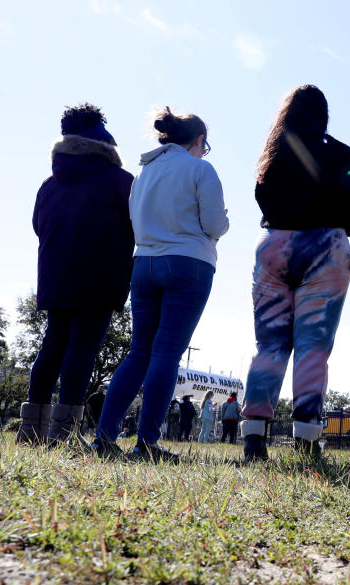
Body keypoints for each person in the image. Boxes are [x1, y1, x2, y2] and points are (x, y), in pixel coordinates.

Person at [92, 107, 229, 461]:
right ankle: (147, 443)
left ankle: (104, 438)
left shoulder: (143, 173)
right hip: (189, 263)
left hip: (144, 263)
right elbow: (214, 225)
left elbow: (135, 221)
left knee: (139, 352)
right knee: (167, 352)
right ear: (198, 141)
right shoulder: (201, 169)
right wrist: (224, 224)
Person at [240, 85, 350, 462]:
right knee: (313, 347)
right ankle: (307, 439)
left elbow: (261, 196)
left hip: (273, 245)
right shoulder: (341, 152)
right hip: (325, 247)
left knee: (270, 346)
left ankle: (253, 437)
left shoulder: (273, 153)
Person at [17, 104, 134, 446]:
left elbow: (38, 226)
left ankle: (30, 429)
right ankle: (64, 433)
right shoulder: (121, 181)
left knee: (53, 342)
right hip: (101, 276)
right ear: (105, 141)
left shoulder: (49, 184)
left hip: (56, 275)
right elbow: (137, 227)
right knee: (83, 346)